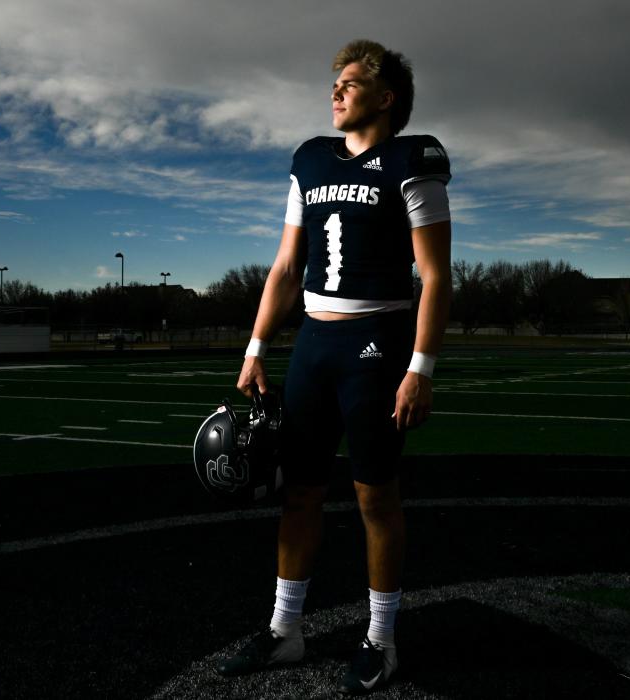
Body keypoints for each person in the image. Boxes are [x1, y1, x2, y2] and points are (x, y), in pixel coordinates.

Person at [215, 39, 452, 695]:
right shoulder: (310, 159)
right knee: (299, 491)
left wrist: (421, 366)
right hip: (314, 344)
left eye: (350, 84)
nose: (336, 92)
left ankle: (381, 638)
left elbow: (435, 276)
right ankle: (284, 630)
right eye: (336, 83)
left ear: (386, 97)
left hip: (378, 343)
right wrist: (257, 346)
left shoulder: (412, 159)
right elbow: (287, 267)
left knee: (376, 495)